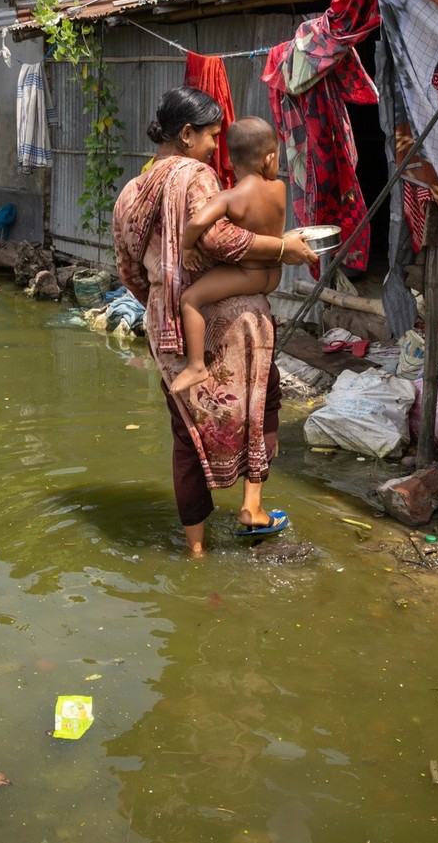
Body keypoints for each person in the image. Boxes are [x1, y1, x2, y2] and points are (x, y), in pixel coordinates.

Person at [112, 87, 317, 556]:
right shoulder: (196, 176)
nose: (213, 149)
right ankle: (252, 508)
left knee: (187, 436)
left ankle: (196, 549)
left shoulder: (129, 193)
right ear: (186, 134)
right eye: (209, 137)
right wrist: (286, 246)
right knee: (258, 407)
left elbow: (127, 269)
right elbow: (224, 242)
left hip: (167, 326)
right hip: (231, 319)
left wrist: (164, 304)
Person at [168, 117, 285, 396]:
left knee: (190, 299)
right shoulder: (280, 188)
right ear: (270, 159)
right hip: (274, 275)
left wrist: (187, 248)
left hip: (249, 275)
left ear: (231, 162)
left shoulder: (232, 197)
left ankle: (196, 366)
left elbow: (196, 223)